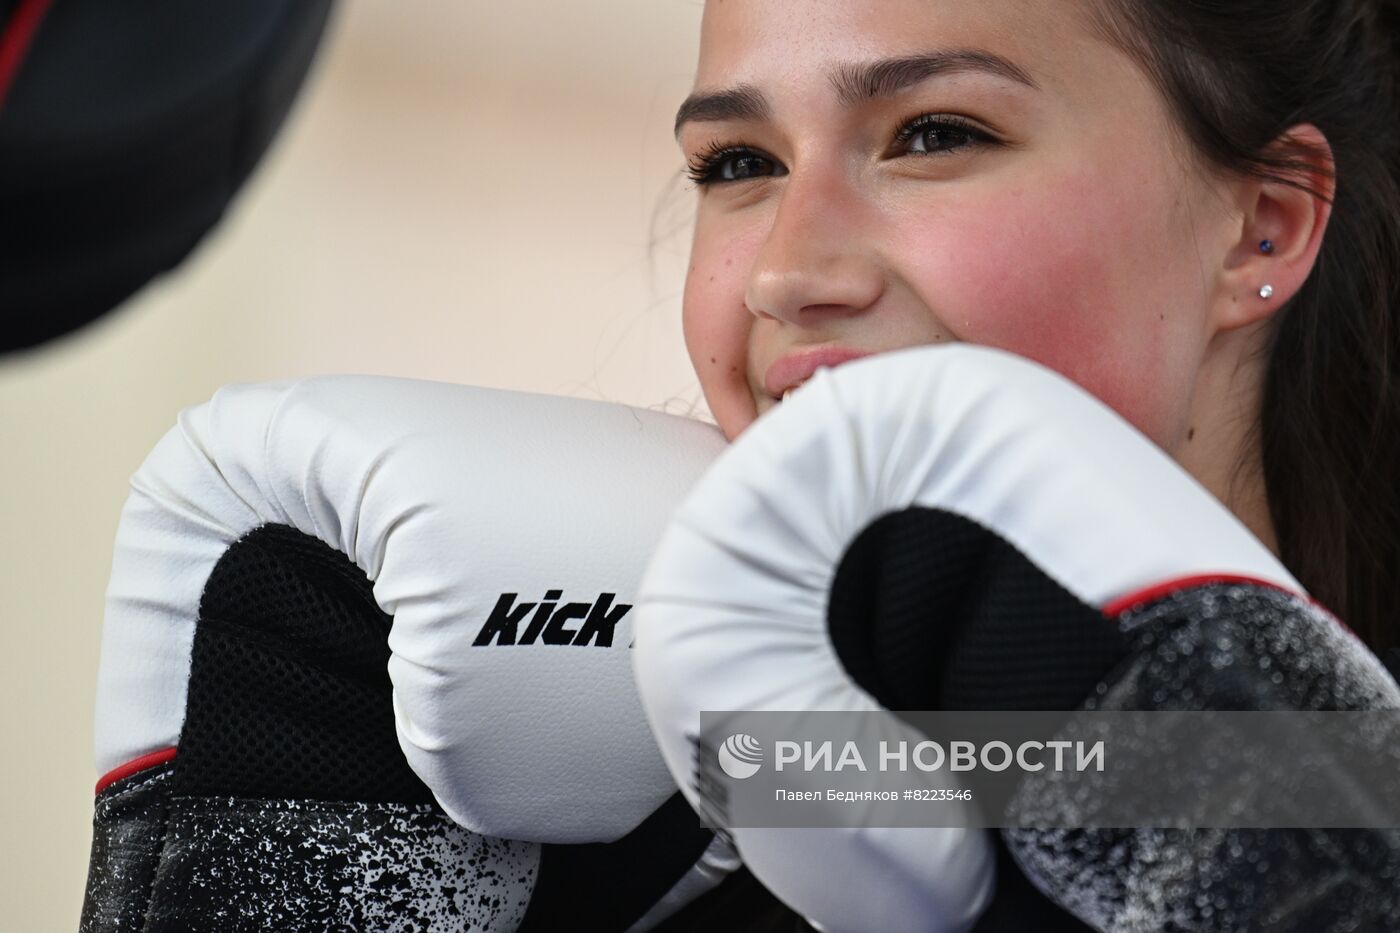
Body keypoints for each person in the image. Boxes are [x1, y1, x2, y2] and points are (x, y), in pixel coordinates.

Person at [656, 0, 1400, 927]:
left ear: (1263, 227)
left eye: (935, 135)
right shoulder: (660, 826)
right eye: (741, 163)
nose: (785, 274)